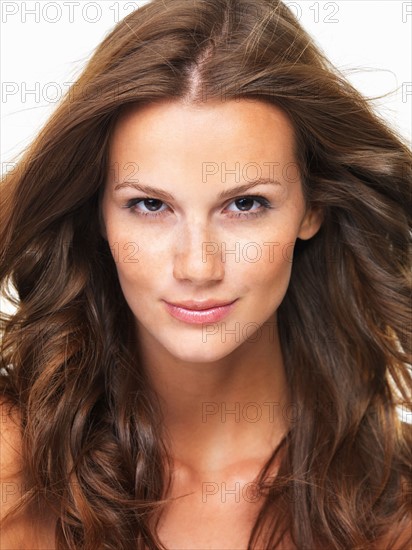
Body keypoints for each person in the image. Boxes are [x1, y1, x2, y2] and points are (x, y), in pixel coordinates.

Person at [0, 0, 410, 548]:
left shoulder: (396, 508)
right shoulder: (15, 466)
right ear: (95, 211)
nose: (198, 266)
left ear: (312, 207)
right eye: (149, 205)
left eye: (245, 205)